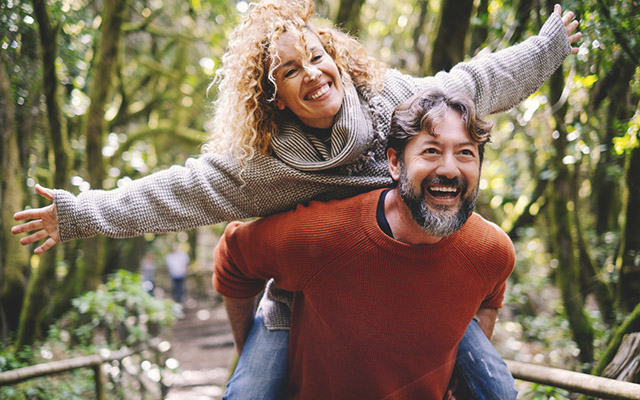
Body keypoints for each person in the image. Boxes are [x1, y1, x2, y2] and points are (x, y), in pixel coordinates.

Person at [10, 0, 582, 397]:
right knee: (248, 392)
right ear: (274, 97)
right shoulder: (259, 167)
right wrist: (77, 214)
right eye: (289, 70)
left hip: (417, 274)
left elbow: (476, 83)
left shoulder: (393, 103)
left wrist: (548, 48)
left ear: (335, 55)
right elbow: (172, 192)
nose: (312, 73)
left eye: (315, 55)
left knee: (495, 386)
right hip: (301, 293)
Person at [213, 86, 514, 399]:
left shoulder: (491, 250)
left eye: (466, 153)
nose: (449, 169)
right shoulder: (323, 236)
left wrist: (460, 367)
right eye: (431, 151)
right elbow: (233, 257)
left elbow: (490, 297)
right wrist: (249, 347)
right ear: (395, 164)